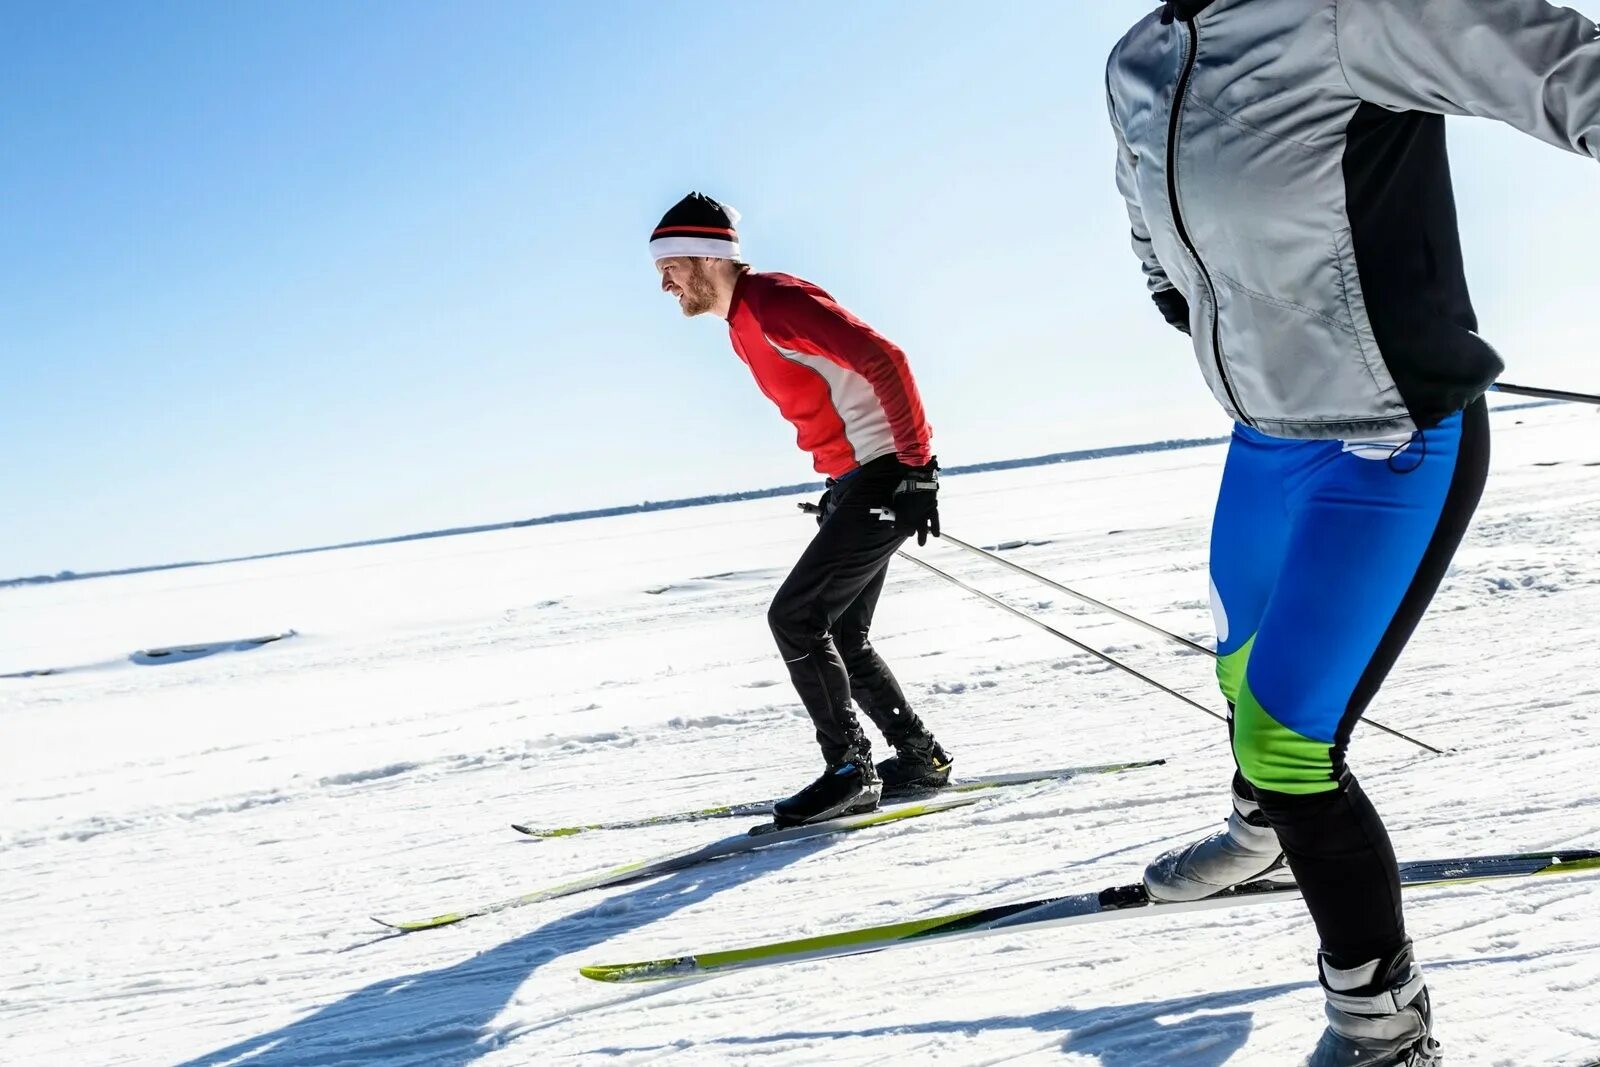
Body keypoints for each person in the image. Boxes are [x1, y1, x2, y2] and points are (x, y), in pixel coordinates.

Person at [1105, 1, 1600, 1063]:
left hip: (1389, 439)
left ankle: (1382, 1018)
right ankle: (1264, 839)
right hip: (1264, 439)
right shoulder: (1138, 60)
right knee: (1242, 678)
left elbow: (1555, 61)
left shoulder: (1344, 14)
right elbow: (1148, 219)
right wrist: (1181, 296)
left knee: (1290, 739)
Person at [651, 192, 952, 827]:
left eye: (670, 266)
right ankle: (919, 757)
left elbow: (885, 359)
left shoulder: (775, 301)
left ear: (707, 256)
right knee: (841, 631)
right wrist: (841, 488)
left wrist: (917, 469)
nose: (665, 284)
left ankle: (849, 770)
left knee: (795, 618)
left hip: (889, 475)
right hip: (860, 481)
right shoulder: (741, 326)